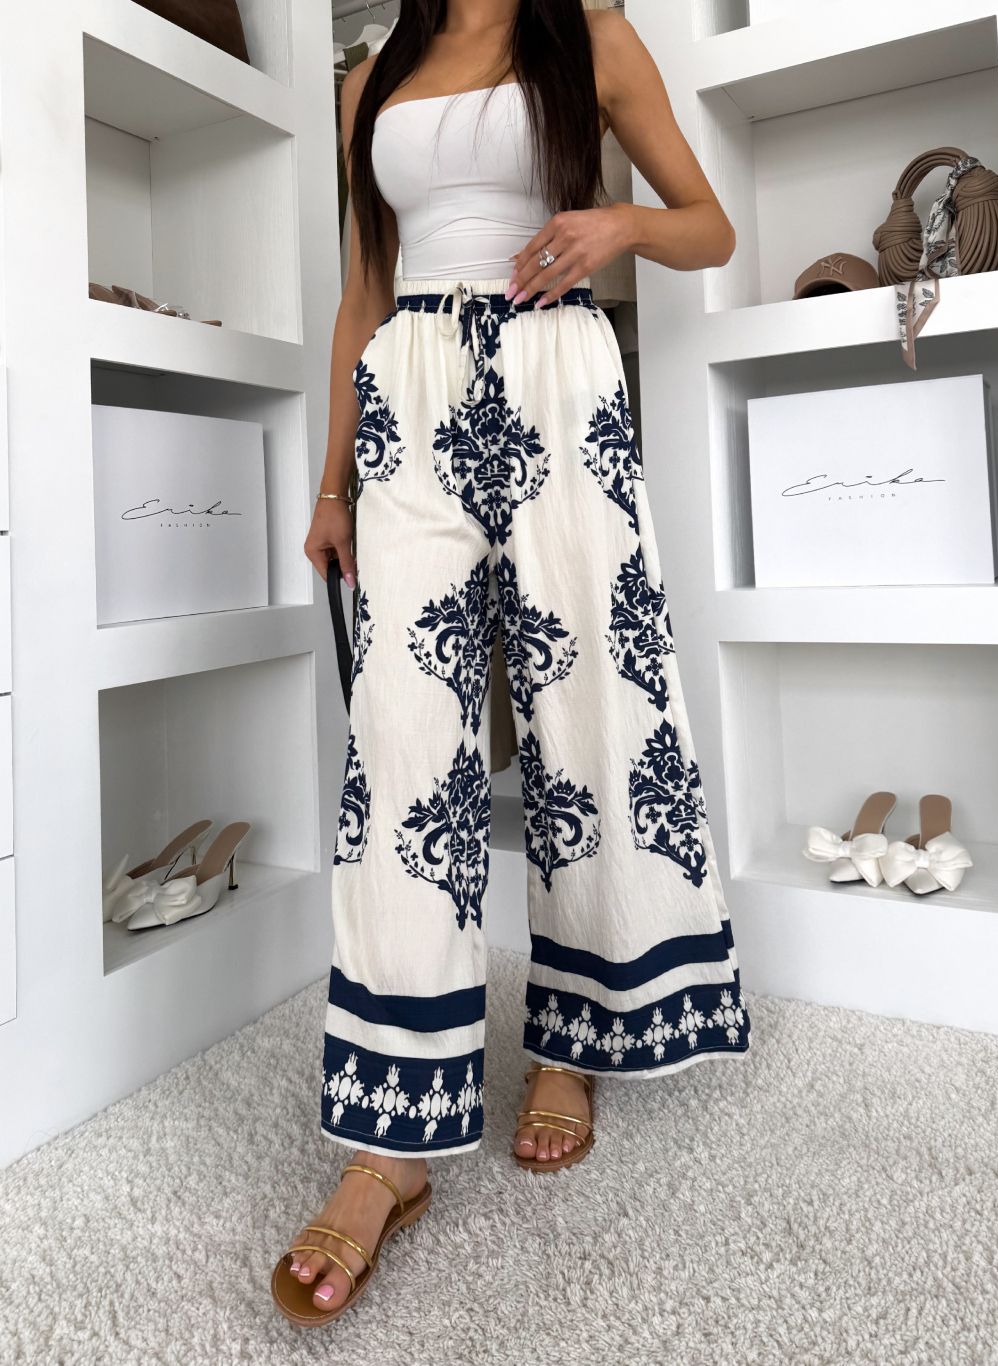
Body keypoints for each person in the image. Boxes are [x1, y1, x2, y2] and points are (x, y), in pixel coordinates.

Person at [271, 0, 750, 1326]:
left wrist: (618, 228)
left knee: (591, 713)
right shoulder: (372, 74)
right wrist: (333, 483)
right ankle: (389, 1144)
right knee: (403, 751)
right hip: (412, 391)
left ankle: (574, 1039)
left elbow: (710, 226)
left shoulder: (592, 36)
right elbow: (362, 294)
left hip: (558, 370)